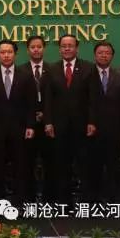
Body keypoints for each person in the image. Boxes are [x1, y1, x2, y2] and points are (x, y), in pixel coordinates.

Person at [0, 39, 37, 204]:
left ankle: (20, 203)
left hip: (20, 129)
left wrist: (30, 125)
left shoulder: (26, 76)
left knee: (20, 168)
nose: (6, 55)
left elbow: (31, 103)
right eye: (3, 52)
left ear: (15, 54)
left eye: (9, 52)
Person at [42, 34, 96, 204]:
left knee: (84, 165)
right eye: (63, 46)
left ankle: (86, 202)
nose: (67, 48)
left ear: (76, 48)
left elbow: (93, 99)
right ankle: (63, 202)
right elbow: (47, 99)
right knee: (61, 165)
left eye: (70, 45)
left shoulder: (88, 68)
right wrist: (48, 122)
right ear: (59, 49)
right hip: (59, 126)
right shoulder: (51, 69)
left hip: (82, 126)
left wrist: (92, 121)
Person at [87, 41, 120, 202]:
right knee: (94, 166)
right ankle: (94, 198)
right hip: (92, 129)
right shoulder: (86, 75)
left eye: (107, 53)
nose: (104, 55)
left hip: (115, 129)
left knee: (114, 165)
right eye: (100, 52)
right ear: (95, 55)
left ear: (112, 56)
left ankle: (113, 198)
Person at [18, 35, 54, 202]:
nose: (36, 50)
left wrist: (45, 114)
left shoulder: (52, 70)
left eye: (39, 47)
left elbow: (55, 98)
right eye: (33, 47)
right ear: (28, 50)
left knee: (50, 162)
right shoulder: (20, 70)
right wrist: (31, 115)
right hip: (27, 124)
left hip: (48, 123)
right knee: (26, 163)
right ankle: (29, 198)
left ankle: (48, 198)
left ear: (44, 49)